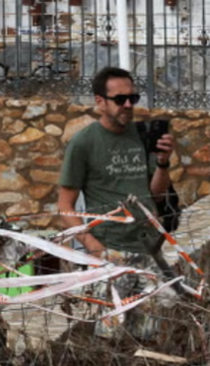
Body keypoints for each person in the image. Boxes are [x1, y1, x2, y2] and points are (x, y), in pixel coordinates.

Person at [57, 66, 174, 258]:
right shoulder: (84, 143)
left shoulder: (142, 135)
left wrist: (162, 163)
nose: (128, 105)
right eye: (120, 99)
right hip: (110, 248)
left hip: (149, 246)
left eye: (132, 98)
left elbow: (156, 195)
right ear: (100, 102)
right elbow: (65, 206)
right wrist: (93, 247)